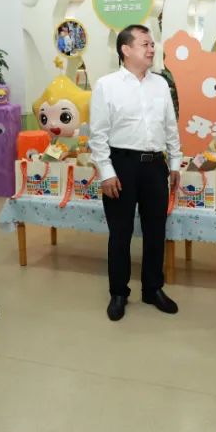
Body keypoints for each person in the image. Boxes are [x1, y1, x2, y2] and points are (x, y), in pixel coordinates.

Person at [89, 24, 182, 321]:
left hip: (155, 166)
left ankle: (153, 288)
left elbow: (170, 127)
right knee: (120, 233)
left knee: (156, 230)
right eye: (145, 44)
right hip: (121, 165)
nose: (152, 49)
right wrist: (106, 172)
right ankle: (119, 292)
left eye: (152, 44)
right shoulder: (106, 85)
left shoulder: (160, 85)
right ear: (126, 49)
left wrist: (175, 163)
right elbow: (97, 135)